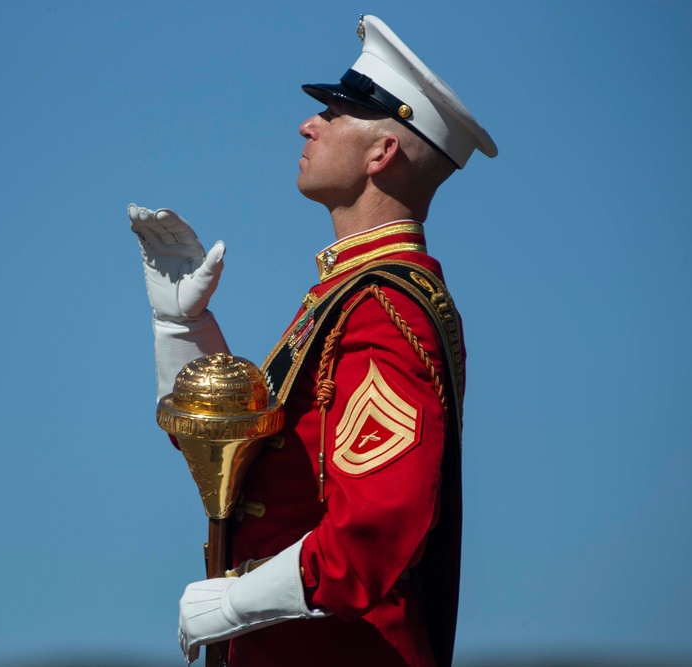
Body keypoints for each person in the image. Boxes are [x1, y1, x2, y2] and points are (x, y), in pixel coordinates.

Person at [129, 15, 496, 667]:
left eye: (333, 112)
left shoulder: (383, 308)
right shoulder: (351, 295)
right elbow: (236, 466)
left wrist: (237, 600)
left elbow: (374, 531)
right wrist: (183, 326)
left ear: (382, 153)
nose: (309, 124)